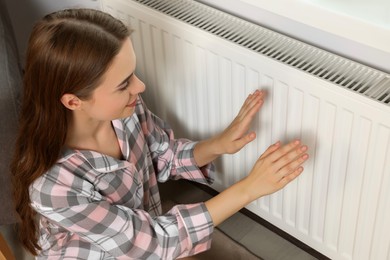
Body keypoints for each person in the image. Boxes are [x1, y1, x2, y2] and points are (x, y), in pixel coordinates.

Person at [10, 8, 309, 260]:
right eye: (123, 83)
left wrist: (219, 144)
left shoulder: (124, 111)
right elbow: (153, 242)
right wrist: (250, 188)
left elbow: (162, 153)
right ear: (74, 101)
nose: (140, 87)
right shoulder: (54, 187)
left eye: (133, 74)